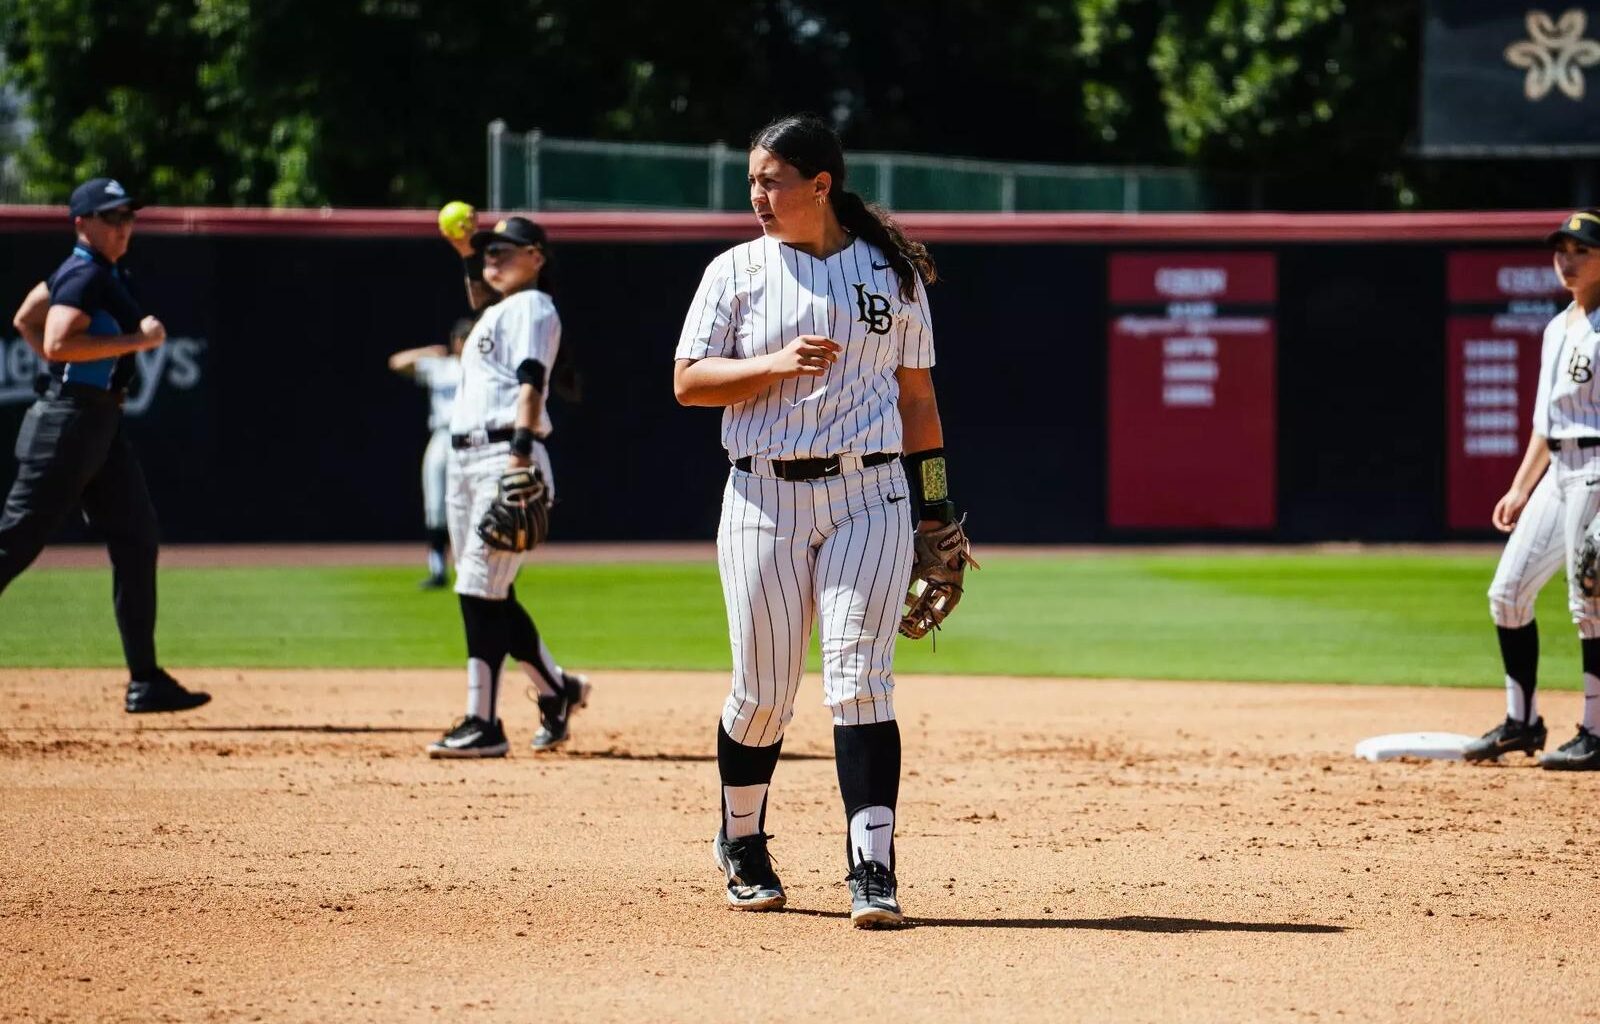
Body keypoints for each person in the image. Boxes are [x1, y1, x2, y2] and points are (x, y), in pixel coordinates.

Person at [673, 114, 972, 927]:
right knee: (764, 693)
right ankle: (742, 841)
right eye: (752, 184)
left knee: (860, 680)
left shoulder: (891, 275)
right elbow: (689, 385)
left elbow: (918, 400)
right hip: (761, 497)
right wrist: (772, 366)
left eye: (771, 180)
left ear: (820, 185)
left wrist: (935, 507)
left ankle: (871, 869)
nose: (758, 197)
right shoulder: (734, 271)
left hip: (870, 495)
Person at [0, 177, 209, 713]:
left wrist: (66, 370)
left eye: (128, 217)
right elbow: (55, 340)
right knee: (14, 544)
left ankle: (145, 680)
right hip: (70, 424)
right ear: (82, 224)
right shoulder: (86, 274)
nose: (124, 226)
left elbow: (26, 317)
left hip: (98, 423)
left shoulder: (90, 270)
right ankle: (144, 677)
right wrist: (136, 342)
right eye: (111, 218)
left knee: (138, 538)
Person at [424, 214, 589, 758]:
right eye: (489, 252)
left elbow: (531, 382)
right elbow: (479, 297)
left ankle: (483, 722)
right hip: (465, 458)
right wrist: (464, 252)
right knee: (489, 587)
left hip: (503, 454)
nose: (493, 258)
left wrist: (519, 457)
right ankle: (555, 689)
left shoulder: (535, 307)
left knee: (477, 587)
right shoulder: (497, 311)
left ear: (536, 256)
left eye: (504, 251)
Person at [1466, 208, 1600, 770]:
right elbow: (1545, 425)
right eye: (1561, 249)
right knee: (1508, 592)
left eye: (1581, 250)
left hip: (1597, 465)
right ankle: (1522, 723)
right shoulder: (1556, 327)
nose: (1567, 259)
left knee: (1589, 601)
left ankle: (1595, 732)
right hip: (1558, 470)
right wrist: (1520, 487)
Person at [389, 318, 471, 589]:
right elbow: (397, 362)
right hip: (443, 435)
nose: (463, 342)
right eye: (461, 338)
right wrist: (426, 351)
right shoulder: (442, 367)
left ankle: (477, 566)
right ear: (454, 341)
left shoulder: (482, 368)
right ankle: (437, 568)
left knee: (473, 505)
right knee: (436, 505)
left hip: (472, 438)